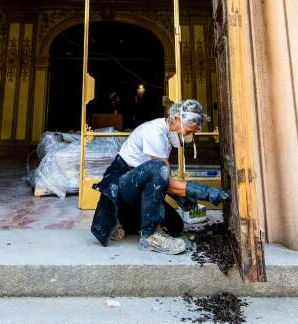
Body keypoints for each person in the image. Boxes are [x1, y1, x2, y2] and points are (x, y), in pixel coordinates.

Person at [90, 99, 229, 254]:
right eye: (189, 132)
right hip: (119, 184)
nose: (189, 137)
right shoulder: (154, 131)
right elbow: (163, 176)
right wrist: (208, 192)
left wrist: (181, 197)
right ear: (177, 119)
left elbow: (165, 180)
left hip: (137, 188)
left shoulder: (167, 137)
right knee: (158, 168)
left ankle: (124, 221)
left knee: (175, 226)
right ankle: (149, 236)